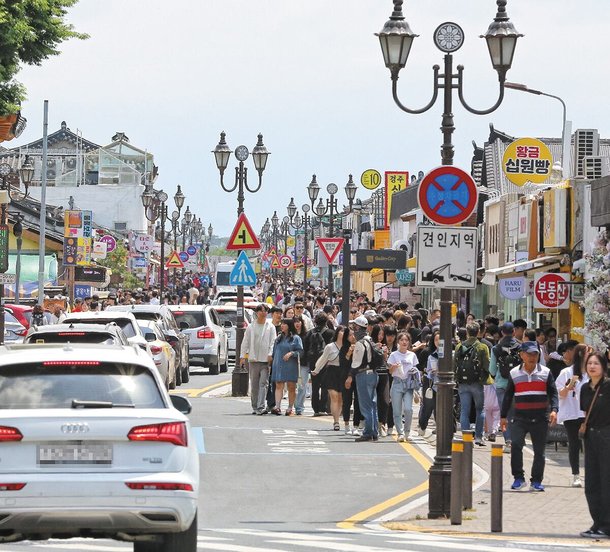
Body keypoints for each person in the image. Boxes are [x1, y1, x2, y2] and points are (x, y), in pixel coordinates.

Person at [500, 341, 558, 492]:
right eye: (529, 354)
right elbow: (507, 396)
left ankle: (537, 481)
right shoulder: (514, 373)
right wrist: (503, 416)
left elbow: (553, 393)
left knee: (540, 452)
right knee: (516, 446)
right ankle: (518, 478)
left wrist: (554, 410)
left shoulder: (546, 372)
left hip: (540, 418)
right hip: (520, 418)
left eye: (535, 354)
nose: (533, 357)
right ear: (521, 355)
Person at [579, 352, 610, 538]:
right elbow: (584, 413)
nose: (592, 366)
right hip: (590, 438)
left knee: (606, 481)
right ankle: (597, 522)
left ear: (604, 366)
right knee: (591, 482)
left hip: (606, 436)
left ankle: (607, 525)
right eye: (589, 363)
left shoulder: (608, 386)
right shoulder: (584, 388)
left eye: (596, 363)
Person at [556, 343, 589, 487]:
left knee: (590, 445)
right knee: (574, 445)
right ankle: (576, 475)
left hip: (588, 414)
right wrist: (569, 387)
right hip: (571, 413)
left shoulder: (592, 372)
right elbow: (559, 394)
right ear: (581, 355)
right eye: (589, 353)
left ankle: (591, 474)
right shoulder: (566, 372)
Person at [454, 322, 490, 446]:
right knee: (480, 409)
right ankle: (479, 437)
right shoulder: (482, 347)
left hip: (463, 383)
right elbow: (487, 365)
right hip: (477, 382)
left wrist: (456, 378)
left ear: (467, 332)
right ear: (479, 331)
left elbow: (455, 365)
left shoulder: (459, 346)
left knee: (465, 410)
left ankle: (466, 437)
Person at [346, 315, 379, 442]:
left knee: (366, 405)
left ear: (359, 328)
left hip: (363, 375)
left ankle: (368, 432)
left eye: (354, 327)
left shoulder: (360, 344)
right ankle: (374, 431)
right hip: (373, 375)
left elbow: (356, 363)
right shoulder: (370, 340)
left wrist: (349, 376)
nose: (353, 330)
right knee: (373, 404)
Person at [490, 322, 521, 452]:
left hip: (502, 384)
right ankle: (517, 440)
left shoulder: (496, 348)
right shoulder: (520, 347)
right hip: (518, 384)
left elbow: (491, 370)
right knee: (516, 414)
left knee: (505, 414)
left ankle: (508, 441)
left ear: (502, 332)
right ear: (514, 331)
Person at [241, 304, 276, 415]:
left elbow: (273, 342)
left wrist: (270, 354)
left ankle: (261, 406)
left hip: (265, 360)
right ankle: (255, 406)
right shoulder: (251, 327)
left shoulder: (270, 327)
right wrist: (242, 356)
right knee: (254, 384)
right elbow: (245, 342)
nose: (262, 313)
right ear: (256, 313)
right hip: (253, 359)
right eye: (260, 311)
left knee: (263, 383)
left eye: (265, 311)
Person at [388, 332, 420, 442]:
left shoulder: (412, 355)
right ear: (398, 342)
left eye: (406, 340)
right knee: (397, 410)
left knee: (408, 409)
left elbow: (415, 371)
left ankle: (407, 432)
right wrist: (393, 366)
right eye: (402, 340)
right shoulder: (393, 355)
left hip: (409, 384)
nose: (404, 342)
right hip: (397, 383)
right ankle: (400, 433)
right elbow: (390, 372)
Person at [312, 326, 346, 430]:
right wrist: (316, 370)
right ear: (337, 332)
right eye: (341, 331)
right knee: (334, 397)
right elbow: (323, 359)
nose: (343, 333)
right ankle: (336, 422)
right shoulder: (330, 346)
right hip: (332, 372)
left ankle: (337, 418)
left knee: (340, 398)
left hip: (343, 372)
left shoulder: (349, 346)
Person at [270, 318, 303, 416]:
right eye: (282, 324)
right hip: (279, 364)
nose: (282, 326)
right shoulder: (279, 338)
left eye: (284, 324)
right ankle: (277, 406)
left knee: (291, 386)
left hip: (291, 365)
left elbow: (301, 352)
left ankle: (290, 408)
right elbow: (274, 352)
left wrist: (292, 353)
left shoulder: (296, 338)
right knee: (279, 385)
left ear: (289, 326)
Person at [303, 313, 334, 416]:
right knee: (325, 386)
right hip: (326, 363)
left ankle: (315, 408)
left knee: (315, 386)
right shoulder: (330, 333)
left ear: (315, 321)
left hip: (313, 362)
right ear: (326, 322)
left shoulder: (309, 333)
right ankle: (323, 408)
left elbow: (305, 348)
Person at [340, 327, 361, 435]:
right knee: (347, 401)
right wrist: (349, 352)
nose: (353, 337)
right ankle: (347, 424)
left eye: (354, 334)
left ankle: (356, 426)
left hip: (358, 376)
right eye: (350, 335)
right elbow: (343, 363)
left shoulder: (360, 346)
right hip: (346, 377)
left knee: (357, 401)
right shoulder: (344, 348)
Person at [419, 330, 439, 435]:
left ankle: (440, 428)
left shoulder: (449, 353)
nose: (438, 342)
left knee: (439, 407)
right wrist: (429, 371)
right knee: (428, 405)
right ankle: (422, 426)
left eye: (440, 340)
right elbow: (422, 368)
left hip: (442, 383)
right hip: (430, 382)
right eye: (436, 340)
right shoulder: (428, 353)